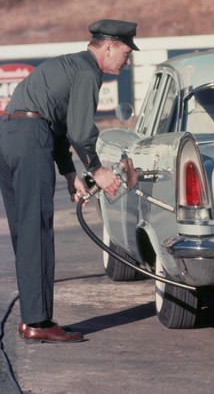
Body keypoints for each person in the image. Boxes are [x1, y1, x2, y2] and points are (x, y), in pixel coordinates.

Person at [0, 19, 137, 343]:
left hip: (9, 136)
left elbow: (56, 124)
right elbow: (78, 131)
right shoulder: (89, 72)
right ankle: (39, 322)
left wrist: (70, 172)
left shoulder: (67, 64)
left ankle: (31, 317)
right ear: (109, 47)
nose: (127, 61)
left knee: (25, 233)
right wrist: (97, 170)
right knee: (38, 231)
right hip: (31, 139)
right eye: (127, 53)